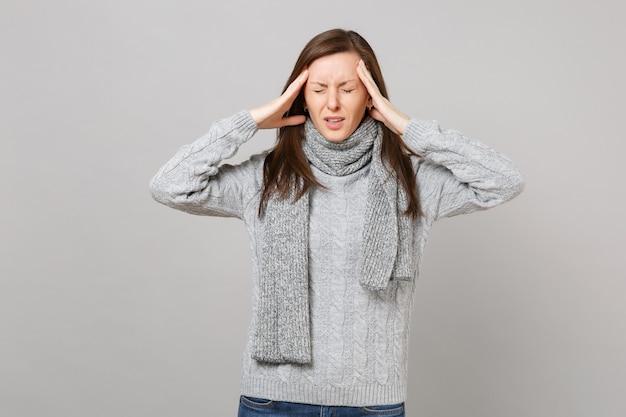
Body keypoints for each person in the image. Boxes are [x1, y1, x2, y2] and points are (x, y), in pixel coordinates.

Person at [150, 28, 524, 417]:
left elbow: (504, 180)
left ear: (370, 95)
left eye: (347, 89)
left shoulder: (413, 182)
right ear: (301, 98)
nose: (332, 103)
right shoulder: (265, 177)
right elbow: (170, 186)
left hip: (370, 404)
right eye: (318, 89)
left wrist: (409, 127)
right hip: (273, 400)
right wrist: (251, 121)